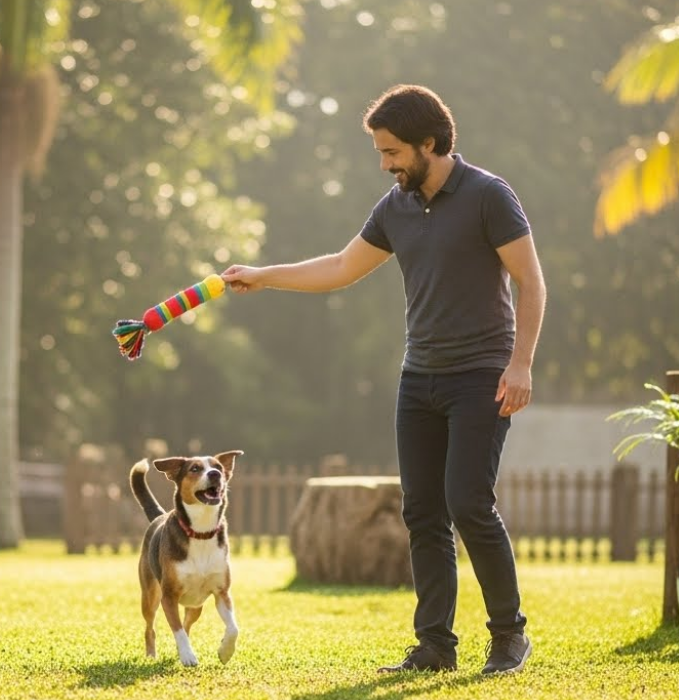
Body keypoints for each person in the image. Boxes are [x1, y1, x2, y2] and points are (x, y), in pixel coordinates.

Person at [220, 84, 546, 675]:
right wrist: (265, 275)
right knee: (422, 511)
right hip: (418, 377)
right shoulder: (394, 207)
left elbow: (531, 280)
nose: (385, 163)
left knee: (468, 502)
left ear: (430, 143)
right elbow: (342, 266)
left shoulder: (488, 196)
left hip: (482, 375)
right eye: (380, 152)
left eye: (393, 152)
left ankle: (509, 636)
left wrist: (520, 362)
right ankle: (435, 647)